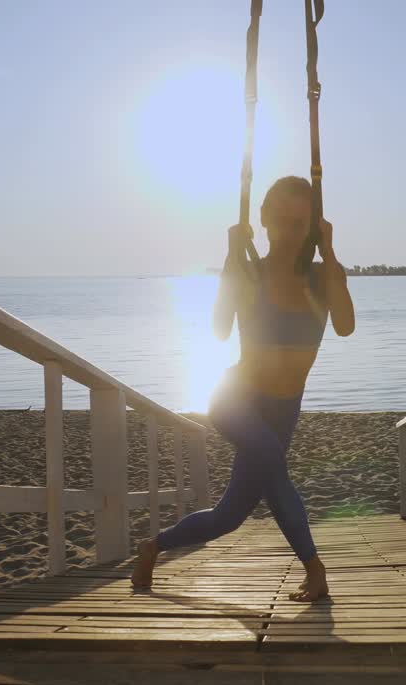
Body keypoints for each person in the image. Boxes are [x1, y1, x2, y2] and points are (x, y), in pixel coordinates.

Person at [131, 176, 355, 601]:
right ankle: (315, 570)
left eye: (300, 224)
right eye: (281, 221)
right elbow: (218, 331)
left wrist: (329, 251)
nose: (290, 232)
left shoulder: (325, 275)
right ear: (264, 222)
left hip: (283, 409)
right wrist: (230, 261)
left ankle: (151, 547)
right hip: (234, 399)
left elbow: (345, 326)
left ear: (314, 227)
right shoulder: (248, 269)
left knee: (229, 516)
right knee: (272, 462)